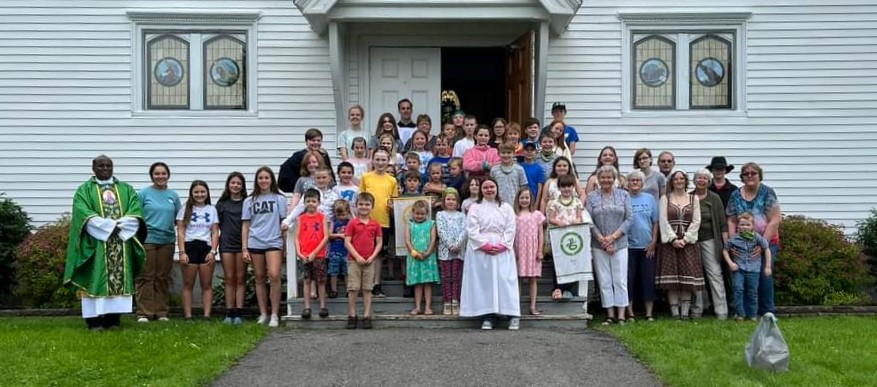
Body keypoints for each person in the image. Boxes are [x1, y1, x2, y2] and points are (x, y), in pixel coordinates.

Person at [65, 155, 146, 330]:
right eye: (101, 166)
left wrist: (120, 227)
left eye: (108, 165)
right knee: (95, 280)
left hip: (120, 242)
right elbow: (82, 213)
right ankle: (93, 321)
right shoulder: (84, 190)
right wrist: (108, 227)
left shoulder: (125, 189)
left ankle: (113, 319)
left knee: (117, 282)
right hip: (96, 244)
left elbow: (135, 210)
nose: (105, 168)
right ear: (93, 168)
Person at [460, 178, 521, 330]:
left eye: (492, 187)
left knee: (505, 281)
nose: (489, 190)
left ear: (497, 188)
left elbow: (511, 228)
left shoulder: (506, 207)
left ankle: (512, 315)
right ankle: (488, 316)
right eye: (485, 187)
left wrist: (503, 245)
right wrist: (483, 244)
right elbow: (471, 228)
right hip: (482, 250)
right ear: (481, 190)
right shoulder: (475, 207)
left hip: (502, 248)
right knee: (485, 283)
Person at [726, 162, 781, 316]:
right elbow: (731, 220)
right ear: (742, 177)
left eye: (753, 173)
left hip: (766, 242)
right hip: (742, 245)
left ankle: (768, 312)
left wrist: (761, 244)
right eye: (746, 173)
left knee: (764, 275)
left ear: (759, 175)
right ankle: (744, 313)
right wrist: (733, 244)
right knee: (742, 279)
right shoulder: (735, 195)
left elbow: (775, 220)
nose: (750, 176)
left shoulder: (767, 192)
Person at [586, 166, 633, 325]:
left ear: (614, 179)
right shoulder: (592, 197)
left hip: (619, 243)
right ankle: (610, 314)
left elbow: (629, 218)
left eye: (609, 177)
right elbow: (589, 221)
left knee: (620, 279)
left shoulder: (624, 195)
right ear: (598, 179)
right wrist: (602, 240)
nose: (606, 180)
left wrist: (613, 238)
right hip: (599, 244)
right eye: (603, 178)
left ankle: (621, 314)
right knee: (604, 279)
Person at [242, 166, 288, 327]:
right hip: (255, 241)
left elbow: (284, 223)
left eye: (266, 178)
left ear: (271, 180)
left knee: (274, 275)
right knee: (259, 277)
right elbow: (246, 225)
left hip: (274, 241)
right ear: (256, 180)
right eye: (260, 178)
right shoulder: (249, 200)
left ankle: (275, 314)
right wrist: (244, 248)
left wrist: (285, 246)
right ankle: (263, 313)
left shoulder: (279, 199)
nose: (263, 181)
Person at [656, 169, 704, 320]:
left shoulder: (693, 198)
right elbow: (663, 220)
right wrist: (673, 239)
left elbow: (696, 221)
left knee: (686, 279)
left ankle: (685, 312)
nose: (678, 181)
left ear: (685, 181)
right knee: (672, 280)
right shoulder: (665, 198)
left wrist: (686, 238)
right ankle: (675, 313)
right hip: (670, 243)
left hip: (687, 243)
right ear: (672, 182)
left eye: (681, 179)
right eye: (675, 179)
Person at [136, 161, 181, 323]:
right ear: (152, 176)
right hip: (147, 240)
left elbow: (178, 219)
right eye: (157, 174)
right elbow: (136, 217)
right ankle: (144, 313)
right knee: (146, 276)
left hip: (167, 241)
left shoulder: (173, 196)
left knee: (162, 277)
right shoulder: (143, 194)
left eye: (163, 173)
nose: (160, 176)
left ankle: (161, 312)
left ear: (168, 175)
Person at [176, 180, 219, 320]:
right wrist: (182, 252)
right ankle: (188, 315)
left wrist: (213, 251)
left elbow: (214, 232)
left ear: (207, 193)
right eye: (196, 192)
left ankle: (207, 315)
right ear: (191, 194)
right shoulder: (185, 209)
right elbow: (181, 231)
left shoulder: (211, 210)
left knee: (206, 284)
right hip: (189, 247)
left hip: (205, 248)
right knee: (188, 284)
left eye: (202, 192)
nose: (199, 194)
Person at [359, 148, 398, 298]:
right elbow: (360, 199)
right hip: (366, 220)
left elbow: (394, 201)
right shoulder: (366, 177)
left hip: (383, 221)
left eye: (383, 160)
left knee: (378, 255)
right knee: (365, 252)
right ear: (373, 160)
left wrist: (392, 207)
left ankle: (376, 284)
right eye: (378, 159)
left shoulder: (392, 180)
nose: (380, 163)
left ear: (388, 161)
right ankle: (364, 284)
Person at [691, 169, 729, 320]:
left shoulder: (715, 198)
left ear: (709, 181)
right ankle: (697, 309)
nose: (701, 180)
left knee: (714, 274)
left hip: (710, 240)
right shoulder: (689, 197)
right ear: (694, 180)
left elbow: (722, 223)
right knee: (695, 276)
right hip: (691, 241)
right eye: (698, 178)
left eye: (704, 178)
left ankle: (721, 310)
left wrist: (725, 244)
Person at [723, 212, 772, 321]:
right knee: (738, 289)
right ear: (738, 226)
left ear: (753, 226)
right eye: (742, 224)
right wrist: (731, 263)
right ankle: (740, 314)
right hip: (739, 269)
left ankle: (753, 315)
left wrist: (767, 266)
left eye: (747, 225)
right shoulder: (734, 239)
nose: (745, 227)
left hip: (754, 269)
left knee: (752, 292)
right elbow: (725, 250)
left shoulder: (757, 237)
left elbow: (766, 248)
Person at [344, 192, 383, 329]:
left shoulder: (375, 224)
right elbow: (347, 242)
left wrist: (372, 257)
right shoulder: (353, 223)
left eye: (367, 204)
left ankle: (367, 315)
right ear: (356, 206)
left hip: (369, 261)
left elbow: (379, 242)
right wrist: (357, 256)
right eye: (361, 204)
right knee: (353, 288)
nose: (364, 207)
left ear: (372, 206)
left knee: (367, 288)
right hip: (354, 261)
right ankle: (352, 315)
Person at [292, 188, 331, 319]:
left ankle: (323, 306)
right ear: (304, 202)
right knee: (307, 280)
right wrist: (298, 252)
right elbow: (296, 237)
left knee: (320, 280)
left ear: (318, 202)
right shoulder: (300, 219)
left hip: (318, 254)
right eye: (308, 201)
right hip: (304, 255)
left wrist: (315, 252)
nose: (311, 204)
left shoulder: (322, 217)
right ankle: (307, 307)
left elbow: (325, 237)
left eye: (313, 201)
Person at [625, 171, 658, 321]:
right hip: (628, 246)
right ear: (628, 183)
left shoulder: (649, 198)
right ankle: (630, 311)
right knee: (629, 279)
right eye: (632, 180)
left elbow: (655, 222)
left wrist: (653, 242)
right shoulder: (624, 198)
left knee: (648, 279)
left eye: (638, 180)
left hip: (647, 246)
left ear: (642, 183)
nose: (635, 183)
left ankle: (649, 312)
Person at [216, 172, 247, 325]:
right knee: (229, 278)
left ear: (242, 186)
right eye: (233, 183)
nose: (235, 186)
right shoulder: (222, 204)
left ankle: (239, 312)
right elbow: (217, 226)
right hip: (226, 245)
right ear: (228, 185)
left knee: (241, 278)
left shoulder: (247, 203)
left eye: (238, 183)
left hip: (242, 245)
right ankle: (229, 312)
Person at [405, 200, 439, 315]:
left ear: (427, 213)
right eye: (417, 214)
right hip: (415, 257)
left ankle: (428, 307)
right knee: (418, 283)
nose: (419, 216)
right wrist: (415, 253)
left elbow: (433, 239)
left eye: (422, 214)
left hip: (428, 257)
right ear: (413, 213)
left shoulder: (431, 224)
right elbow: (407, 241)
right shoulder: (409, 224)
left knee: (427, 283)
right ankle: (418, 306)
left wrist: (428, 252)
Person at [515, 188, 546, 316]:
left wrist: (540, 250)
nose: (524, 200)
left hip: (533, 250)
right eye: (522, 197)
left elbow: (540, 234)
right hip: (519, 249)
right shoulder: (514, 215)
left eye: (527, 198)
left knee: (533, 278)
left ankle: (533, 306)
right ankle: (515, 306)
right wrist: (514, 251)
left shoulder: (537, 215)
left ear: (531, 199)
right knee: (518, 278)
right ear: (518, 199)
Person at [436, 188, 466, 315]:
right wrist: (449, 244)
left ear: (458, 202)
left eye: (453, 199)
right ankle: (447, 301)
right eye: (448, 199)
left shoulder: (462, 215)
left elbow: (465, 230)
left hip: (458, 250)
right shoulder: (440, 215)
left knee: (456, 276)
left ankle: (455, 300)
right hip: (445, 250)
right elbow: (441, 230)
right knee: (446, 276)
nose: (451, 201)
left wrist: (457, 244)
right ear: (444, 201)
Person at [279, 128, 335, 193]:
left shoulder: (323, 155)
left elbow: (329, 172)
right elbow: (285, 169)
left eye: (318, 140)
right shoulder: (299, 156)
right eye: (313, 140)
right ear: (306, 141)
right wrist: (297, 185)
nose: (316, 143)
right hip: (306, 191)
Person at [327, 199, 351, 299]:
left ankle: (348, 290)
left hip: (346, 251)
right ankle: (334, 290)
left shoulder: (349, 222)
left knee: (347, 272)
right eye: (338, 215)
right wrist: (339, 235)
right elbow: (328, 235)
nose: (341, 217)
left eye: (343, 214)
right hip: (334, 251)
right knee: (333, 271)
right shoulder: (334, 222)